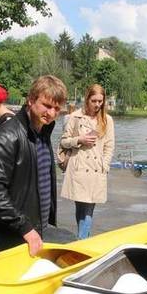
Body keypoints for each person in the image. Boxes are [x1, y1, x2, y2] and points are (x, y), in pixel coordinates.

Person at [0, 75, 67, 256]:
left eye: (57, 109)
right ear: (30, 100)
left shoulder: (43, 132)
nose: (51, 113)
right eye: (47, 105)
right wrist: (25, 228)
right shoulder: (6, 136)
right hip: (15, 233)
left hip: (38, 226)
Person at [59, 84, 115, 239]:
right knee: (80, 208)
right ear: (87, 99)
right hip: (78, 167)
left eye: (100, 101)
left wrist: (105, 165)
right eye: (94, 101)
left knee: (89, 208)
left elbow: (109, 146)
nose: (97, 105)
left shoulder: (107, 120)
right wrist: (80, 139)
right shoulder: (75, 117)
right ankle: (83, 238)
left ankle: (81, 240)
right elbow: (64, 142)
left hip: (96, 169)